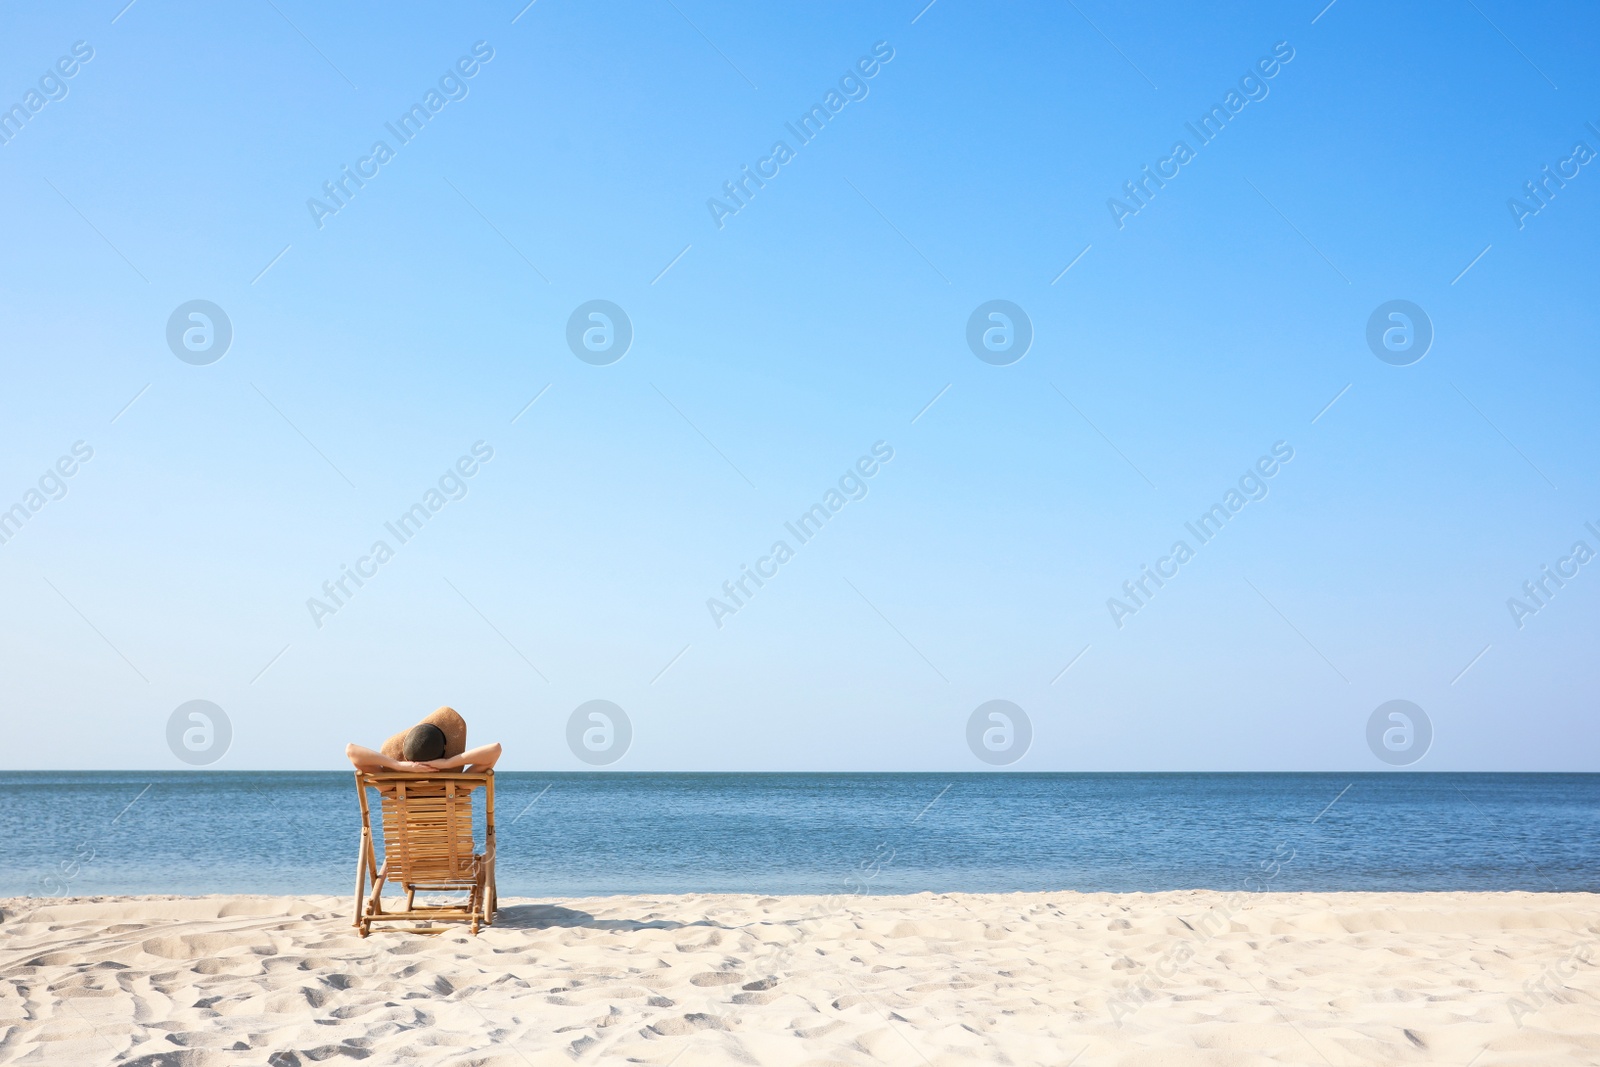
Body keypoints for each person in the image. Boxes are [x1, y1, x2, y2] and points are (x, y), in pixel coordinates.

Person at [346, 706, 501, 773]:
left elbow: (351, 750)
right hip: (448, 841)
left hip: (404, 842)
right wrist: (449, 763)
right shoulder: (458, 788)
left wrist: (398, 765)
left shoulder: (391, 788)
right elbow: (495, 749)